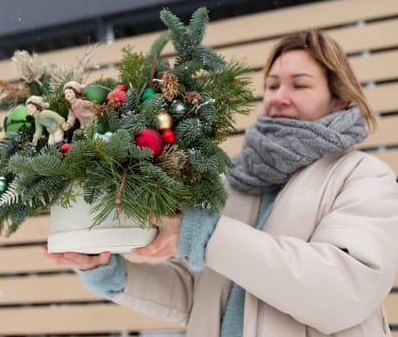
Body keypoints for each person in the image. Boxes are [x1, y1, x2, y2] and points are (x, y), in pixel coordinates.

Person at [42, 31, 398, 336]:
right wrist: (103, 270)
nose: (279, 96)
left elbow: (341, 294)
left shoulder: (364, 178)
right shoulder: (237, 182)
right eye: (272, 85)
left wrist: (206, 234)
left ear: (339, 99)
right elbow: (196, 294)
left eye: (299, 85)